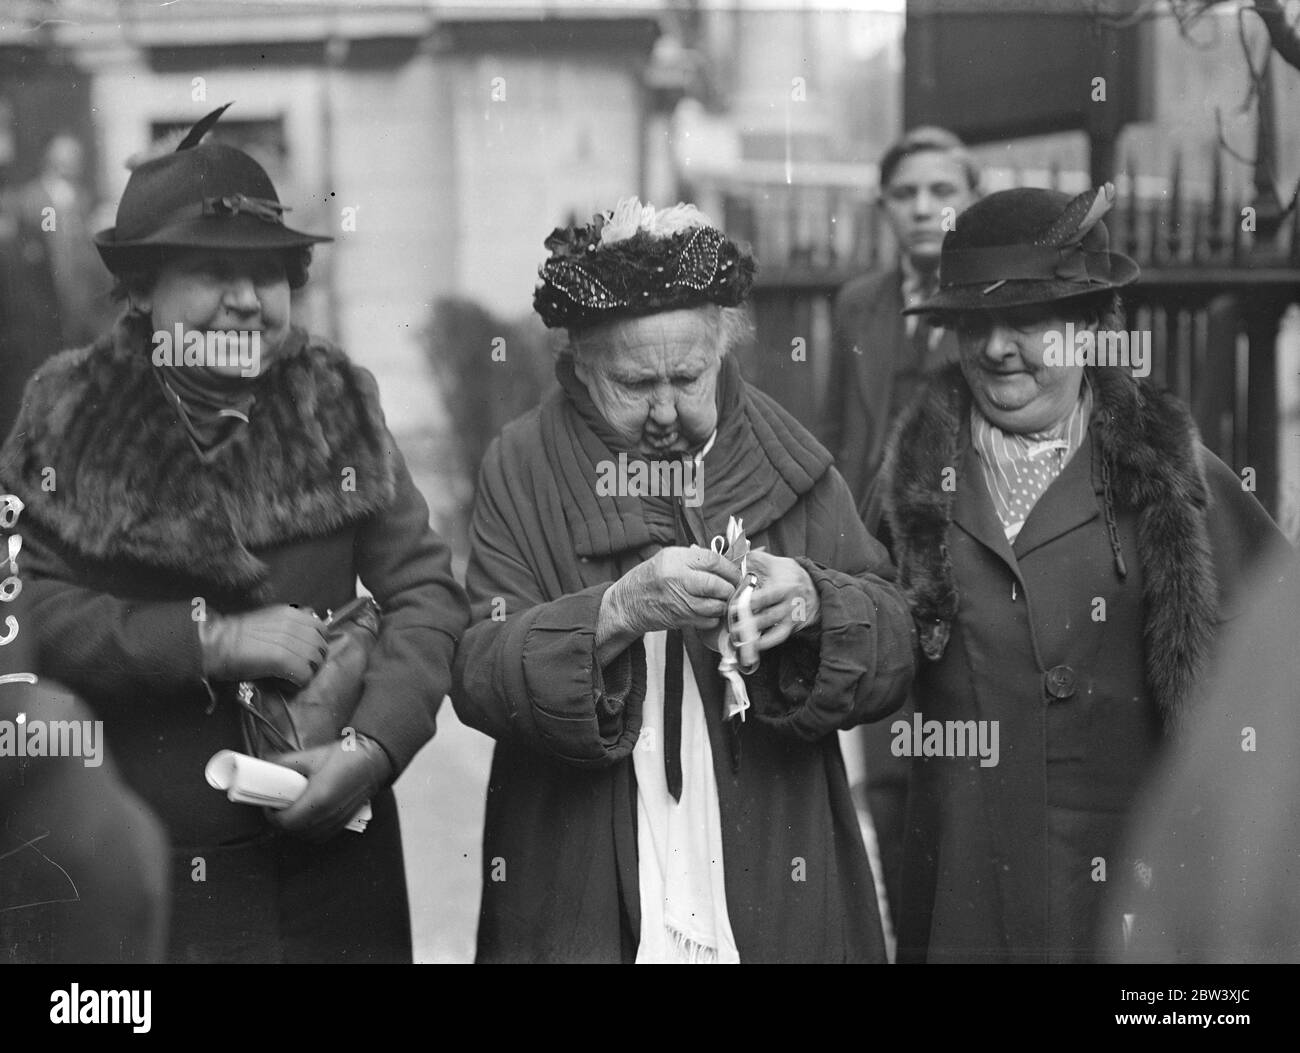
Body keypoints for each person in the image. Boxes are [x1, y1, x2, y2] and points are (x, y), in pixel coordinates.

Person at [0, 105, 469, 963]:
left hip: (340, 863)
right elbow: (27, 616)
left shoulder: (337, 401)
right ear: (141, 291)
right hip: (163, 876)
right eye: (212, 272)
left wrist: (373, 748)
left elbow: (428, 594)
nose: (247, 301)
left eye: (270, 273)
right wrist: (210, 641)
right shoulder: (66, 418)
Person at [451, 198, 916, 963]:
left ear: (723, 354)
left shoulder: (786, 458)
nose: (665, 410)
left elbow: (895, 640)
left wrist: (811, 601)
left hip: (770, 858)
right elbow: (478, 671)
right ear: (580, 365)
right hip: (582, 875)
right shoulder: (523, 463)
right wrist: (617, 610)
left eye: (688, 376)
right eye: (635, 384)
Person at [863, 183, 1290, 963]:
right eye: (974, 323)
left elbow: (1272, 668)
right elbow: (852, 628)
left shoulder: (1176, 482)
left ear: (1091, 328)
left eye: (1025, 320)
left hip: (1125, 890)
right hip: (967, 890)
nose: (995, 348)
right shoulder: (913, 484)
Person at [824, 127, 980, 509]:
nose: (922, 209)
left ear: (973, 200)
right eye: (903, 194)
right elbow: (834, 429)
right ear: (883, 207)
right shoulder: (856, 303)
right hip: (867, 529)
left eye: (942, 191)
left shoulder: (991, 304)